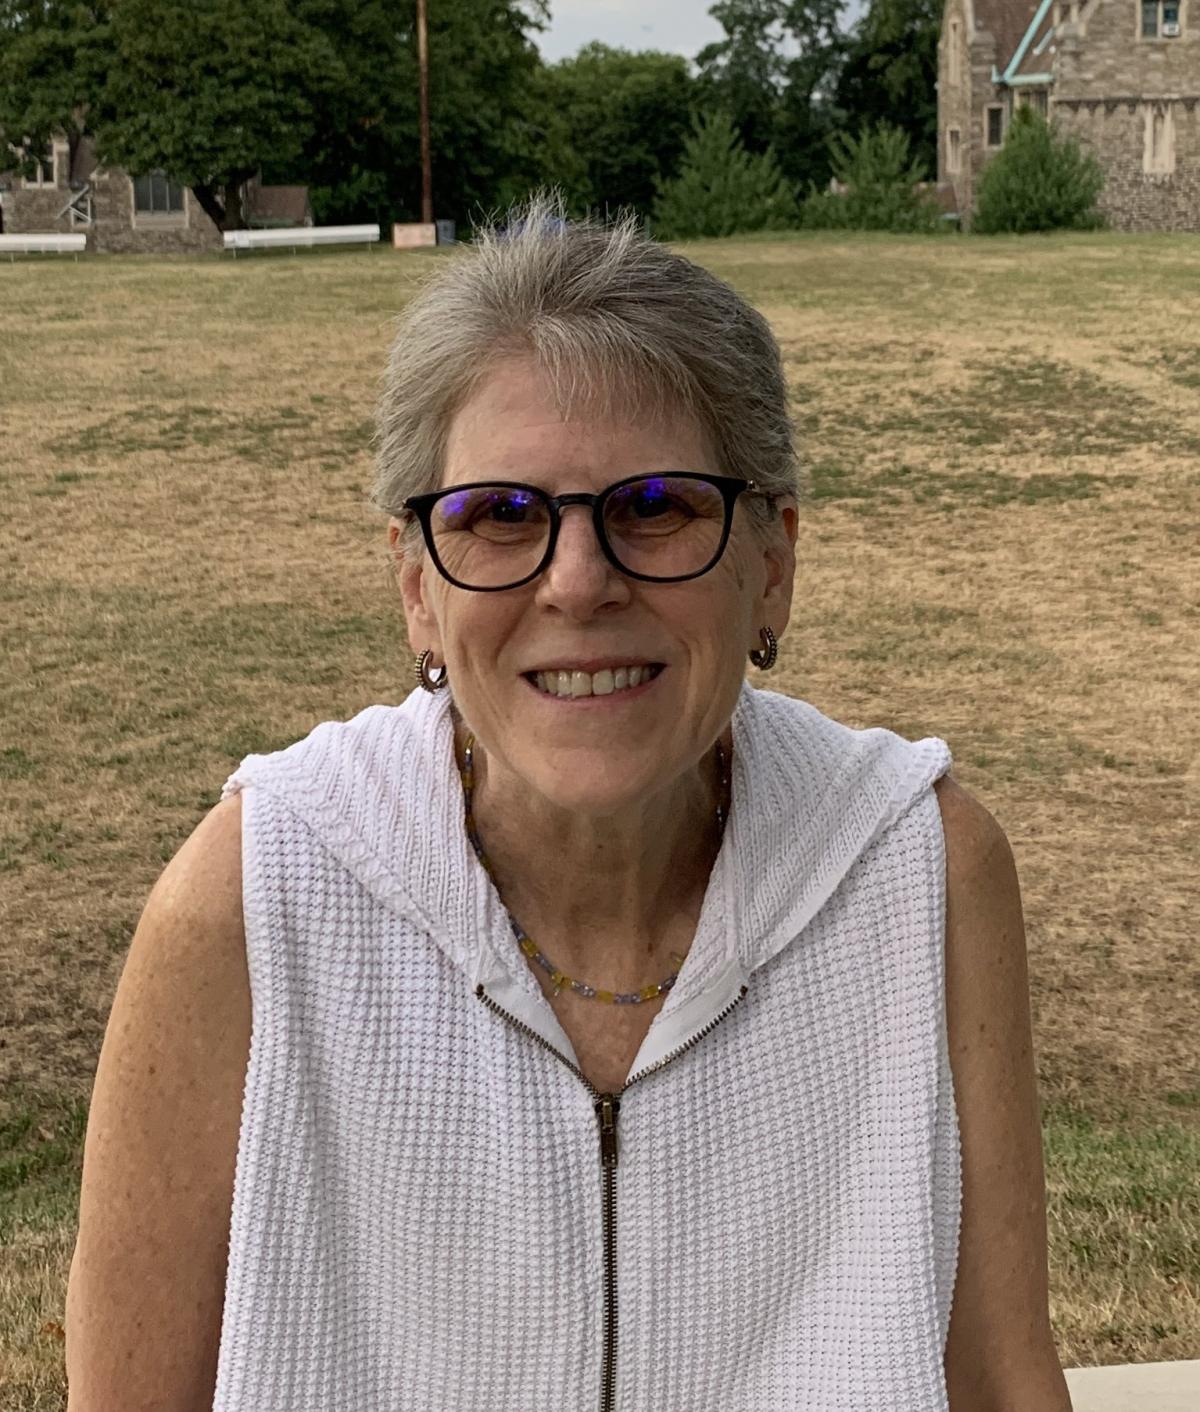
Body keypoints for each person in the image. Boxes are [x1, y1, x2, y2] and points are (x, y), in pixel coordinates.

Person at [64, 196, 1073, 1412]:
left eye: (657, 505)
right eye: (500, 517)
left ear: (775, 564)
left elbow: (1005, 1381)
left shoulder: (924, 871)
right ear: (417, 593)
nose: (579, 582)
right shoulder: (251, 901)